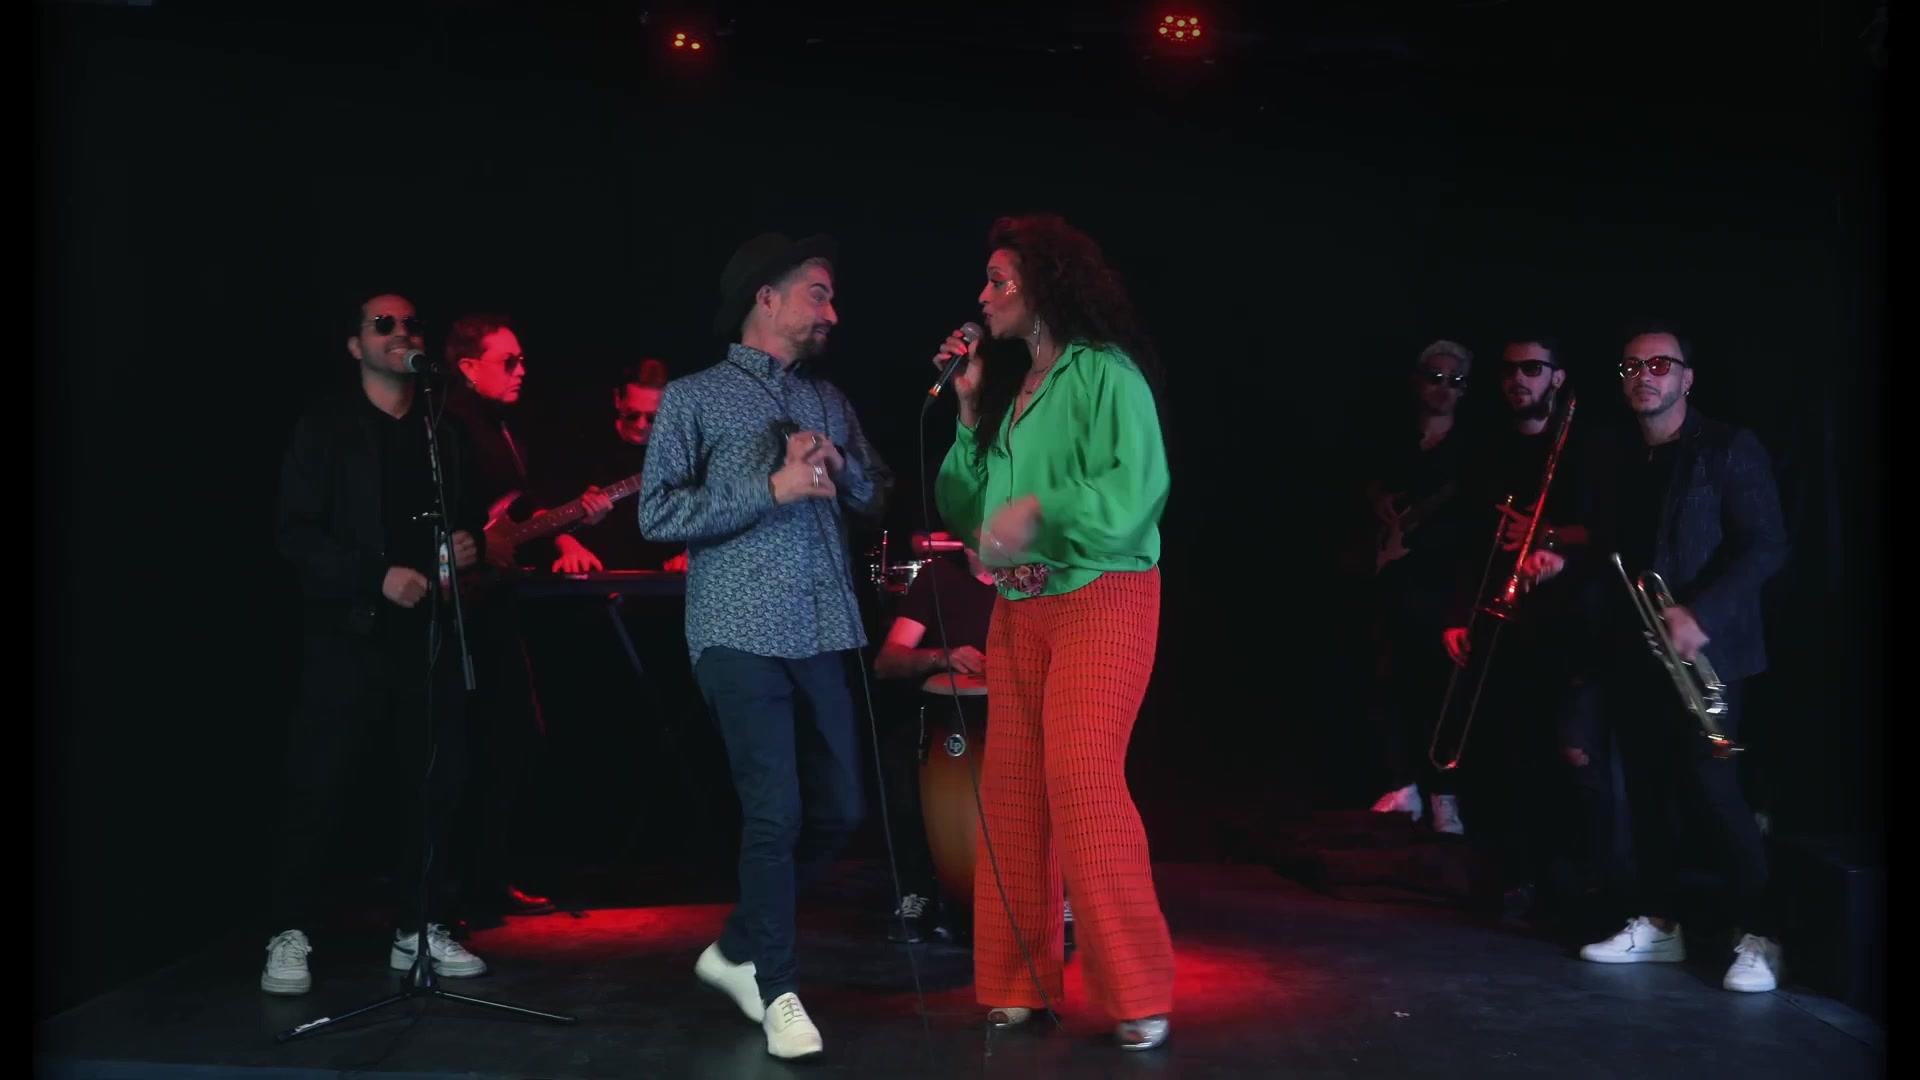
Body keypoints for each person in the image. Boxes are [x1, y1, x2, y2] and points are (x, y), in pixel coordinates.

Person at [638, 232, 893, 1059]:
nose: (832, 312)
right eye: (819, 292)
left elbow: (876, 494)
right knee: (774, 811)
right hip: (736, 629)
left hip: (821, 626)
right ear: (766, 297)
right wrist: (769, 486)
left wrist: (838, 463)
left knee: (844, 808)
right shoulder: (694, 398)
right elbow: (656, 514)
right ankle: (779, 988)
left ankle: (740, 946)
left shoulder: (829, 399)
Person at [931, 213, 1174, 1051]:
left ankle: (1137, 990)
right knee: (1013, 792)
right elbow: (966, 509)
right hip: (1021, 609)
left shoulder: (1107, 373)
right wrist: (969, 410)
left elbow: (1135, 492)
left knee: (1082, 778)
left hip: (1102, 595)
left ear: (1045, 288)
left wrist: (1040, 512)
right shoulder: (1014, 392)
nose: (983, 295)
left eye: (998, 280)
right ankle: (1017, 982)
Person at [1524, 326, 1788, 992]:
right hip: (1633, 647)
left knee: (1714, 793)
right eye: (1632, 367)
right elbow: (1614, 547)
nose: (1644, 375)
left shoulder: (1728, 447)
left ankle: (1761, 935)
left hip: (1708, 651)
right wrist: (1565, 560)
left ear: (1687, 379)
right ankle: (1661, 924)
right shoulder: (1618, 456)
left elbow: (1766, 545)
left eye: (1660, 365)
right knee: (1644, 794)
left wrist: (1700, 613)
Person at [262, 293, 490, 995]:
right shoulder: (326, 428)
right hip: (349, 634)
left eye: (410, 323)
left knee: (434, 781)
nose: (401, 332)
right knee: (321, 781)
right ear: (355, 345)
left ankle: (417, 926)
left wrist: (464, 549)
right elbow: (295, 533)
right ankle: (288, 931)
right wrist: (375, 577)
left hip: (427, 638)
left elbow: (467, 525)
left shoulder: (443, 430)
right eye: (382, 324)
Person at [442, 312, 615, 922]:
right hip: (460, 607)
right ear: (469, 367)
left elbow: (514, 514)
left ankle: (486, 881)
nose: (521, 371)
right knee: (482, 742)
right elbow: (448, 514)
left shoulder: (500, 428)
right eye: (508, 361)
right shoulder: (449, 426)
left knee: (510, 741)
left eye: (521, 360)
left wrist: (565, 530)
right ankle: (458, 889)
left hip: (494, 602)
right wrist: (471, 543)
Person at [1364, 340, 1476, 832]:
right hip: (1392, 579)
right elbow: (1369, 486)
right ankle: (1402, 786)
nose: (1444, 389)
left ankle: (1445, 797)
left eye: (1456, 381)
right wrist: (1379, 501)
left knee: (1441, 693)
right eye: (1436, 377)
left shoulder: (1470, 452)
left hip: (1443, 588)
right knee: (1386, 682)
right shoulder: (1395, 442)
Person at [870, 539, 998, 943]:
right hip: (946, 722)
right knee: (903, 752)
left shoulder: (1033, 578)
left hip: (1014, 717)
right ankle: (917, 889)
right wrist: (942, 656)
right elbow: (888, 661)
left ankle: (1054, 890)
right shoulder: (938, 577)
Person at [565, 357, 687, 571]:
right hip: (598, 575)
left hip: (666, 580)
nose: (640, 425)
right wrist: (572, 541)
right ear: (617, 399)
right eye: (631, 415)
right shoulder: (584, 444)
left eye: (652, 418)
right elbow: (547, 518)